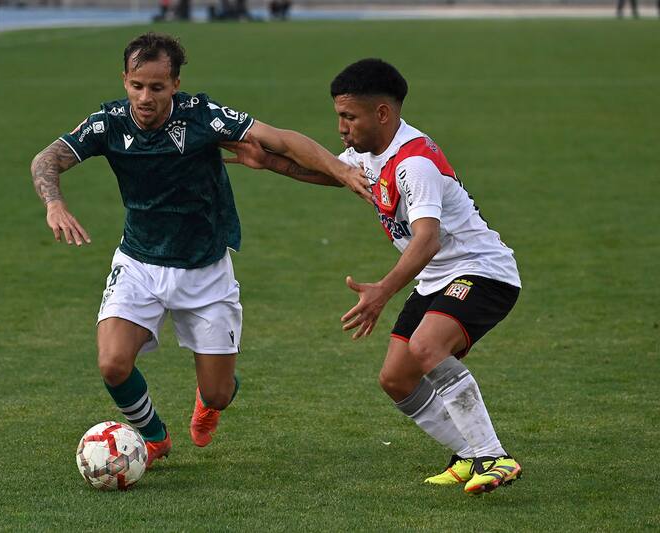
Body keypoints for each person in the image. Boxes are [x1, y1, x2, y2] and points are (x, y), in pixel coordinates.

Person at [30, 33, 368, 469]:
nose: (145, 98)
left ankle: (210, 398)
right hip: (139, 263)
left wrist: (341, 170)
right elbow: (46, 159)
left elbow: (280, 140)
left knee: (218, 393)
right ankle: (154, 437)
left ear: (175, 84)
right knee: (112, 363)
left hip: (205, 270)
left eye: (157, 87)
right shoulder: (108, 122)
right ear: (125, 80)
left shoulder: (202, 116)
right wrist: (54, 203)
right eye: (137, 85)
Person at [224, 58, 522, 495]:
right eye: (338, 116)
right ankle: (469, 454)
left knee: (427, 347)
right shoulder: (371, 154)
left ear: (382, 113)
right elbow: (335, 174)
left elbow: (427, 240)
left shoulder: (414, 163)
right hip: (436, 276)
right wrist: (269, 161)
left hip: (482, 271)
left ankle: (494, 456)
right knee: (396, 378)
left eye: (349, 117)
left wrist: (382, 291)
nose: (341, 128)